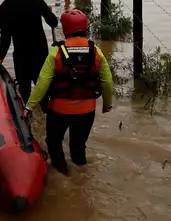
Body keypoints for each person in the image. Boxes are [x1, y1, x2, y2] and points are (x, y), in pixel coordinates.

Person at [25, 9, 115, 175]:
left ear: (65, 29)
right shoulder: (96, 51)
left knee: (54, 143)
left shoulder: (56, 52)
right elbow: (107, 82)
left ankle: (63, 175)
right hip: (87, 110)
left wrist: (29, 107)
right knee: (78, 146)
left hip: (59, 110)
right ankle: (80, 177)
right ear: (85, 28)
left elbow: (42, 83)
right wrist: (107, 105)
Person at [0, 0, 59, 104]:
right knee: (44, 91)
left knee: (25, 94)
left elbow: (5, 38)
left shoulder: (4, 8)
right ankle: (45, 115)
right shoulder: (36, 0)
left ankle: (27, 120)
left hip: (21, 56)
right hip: (40, 53)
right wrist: (48, 13)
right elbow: (53, 22)